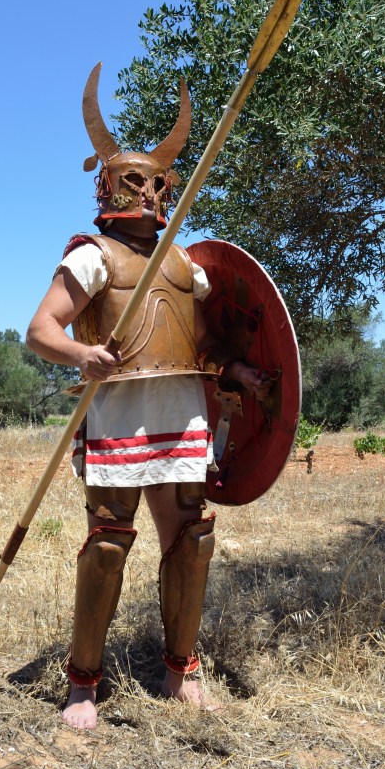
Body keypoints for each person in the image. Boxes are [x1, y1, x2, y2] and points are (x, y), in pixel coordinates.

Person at [26, 66, 270, 730]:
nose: (148, 190)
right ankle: (82, 684)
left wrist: (238, 372)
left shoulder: (185, 264)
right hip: (119, 412)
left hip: (183, 408)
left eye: (156, 181)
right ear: (105, 184)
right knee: (108, 541)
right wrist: (83, 353)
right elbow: (40, 330)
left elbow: (202, 342)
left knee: (191, 539)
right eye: (134, 180)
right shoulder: (92, 257)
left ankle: (180, 672)